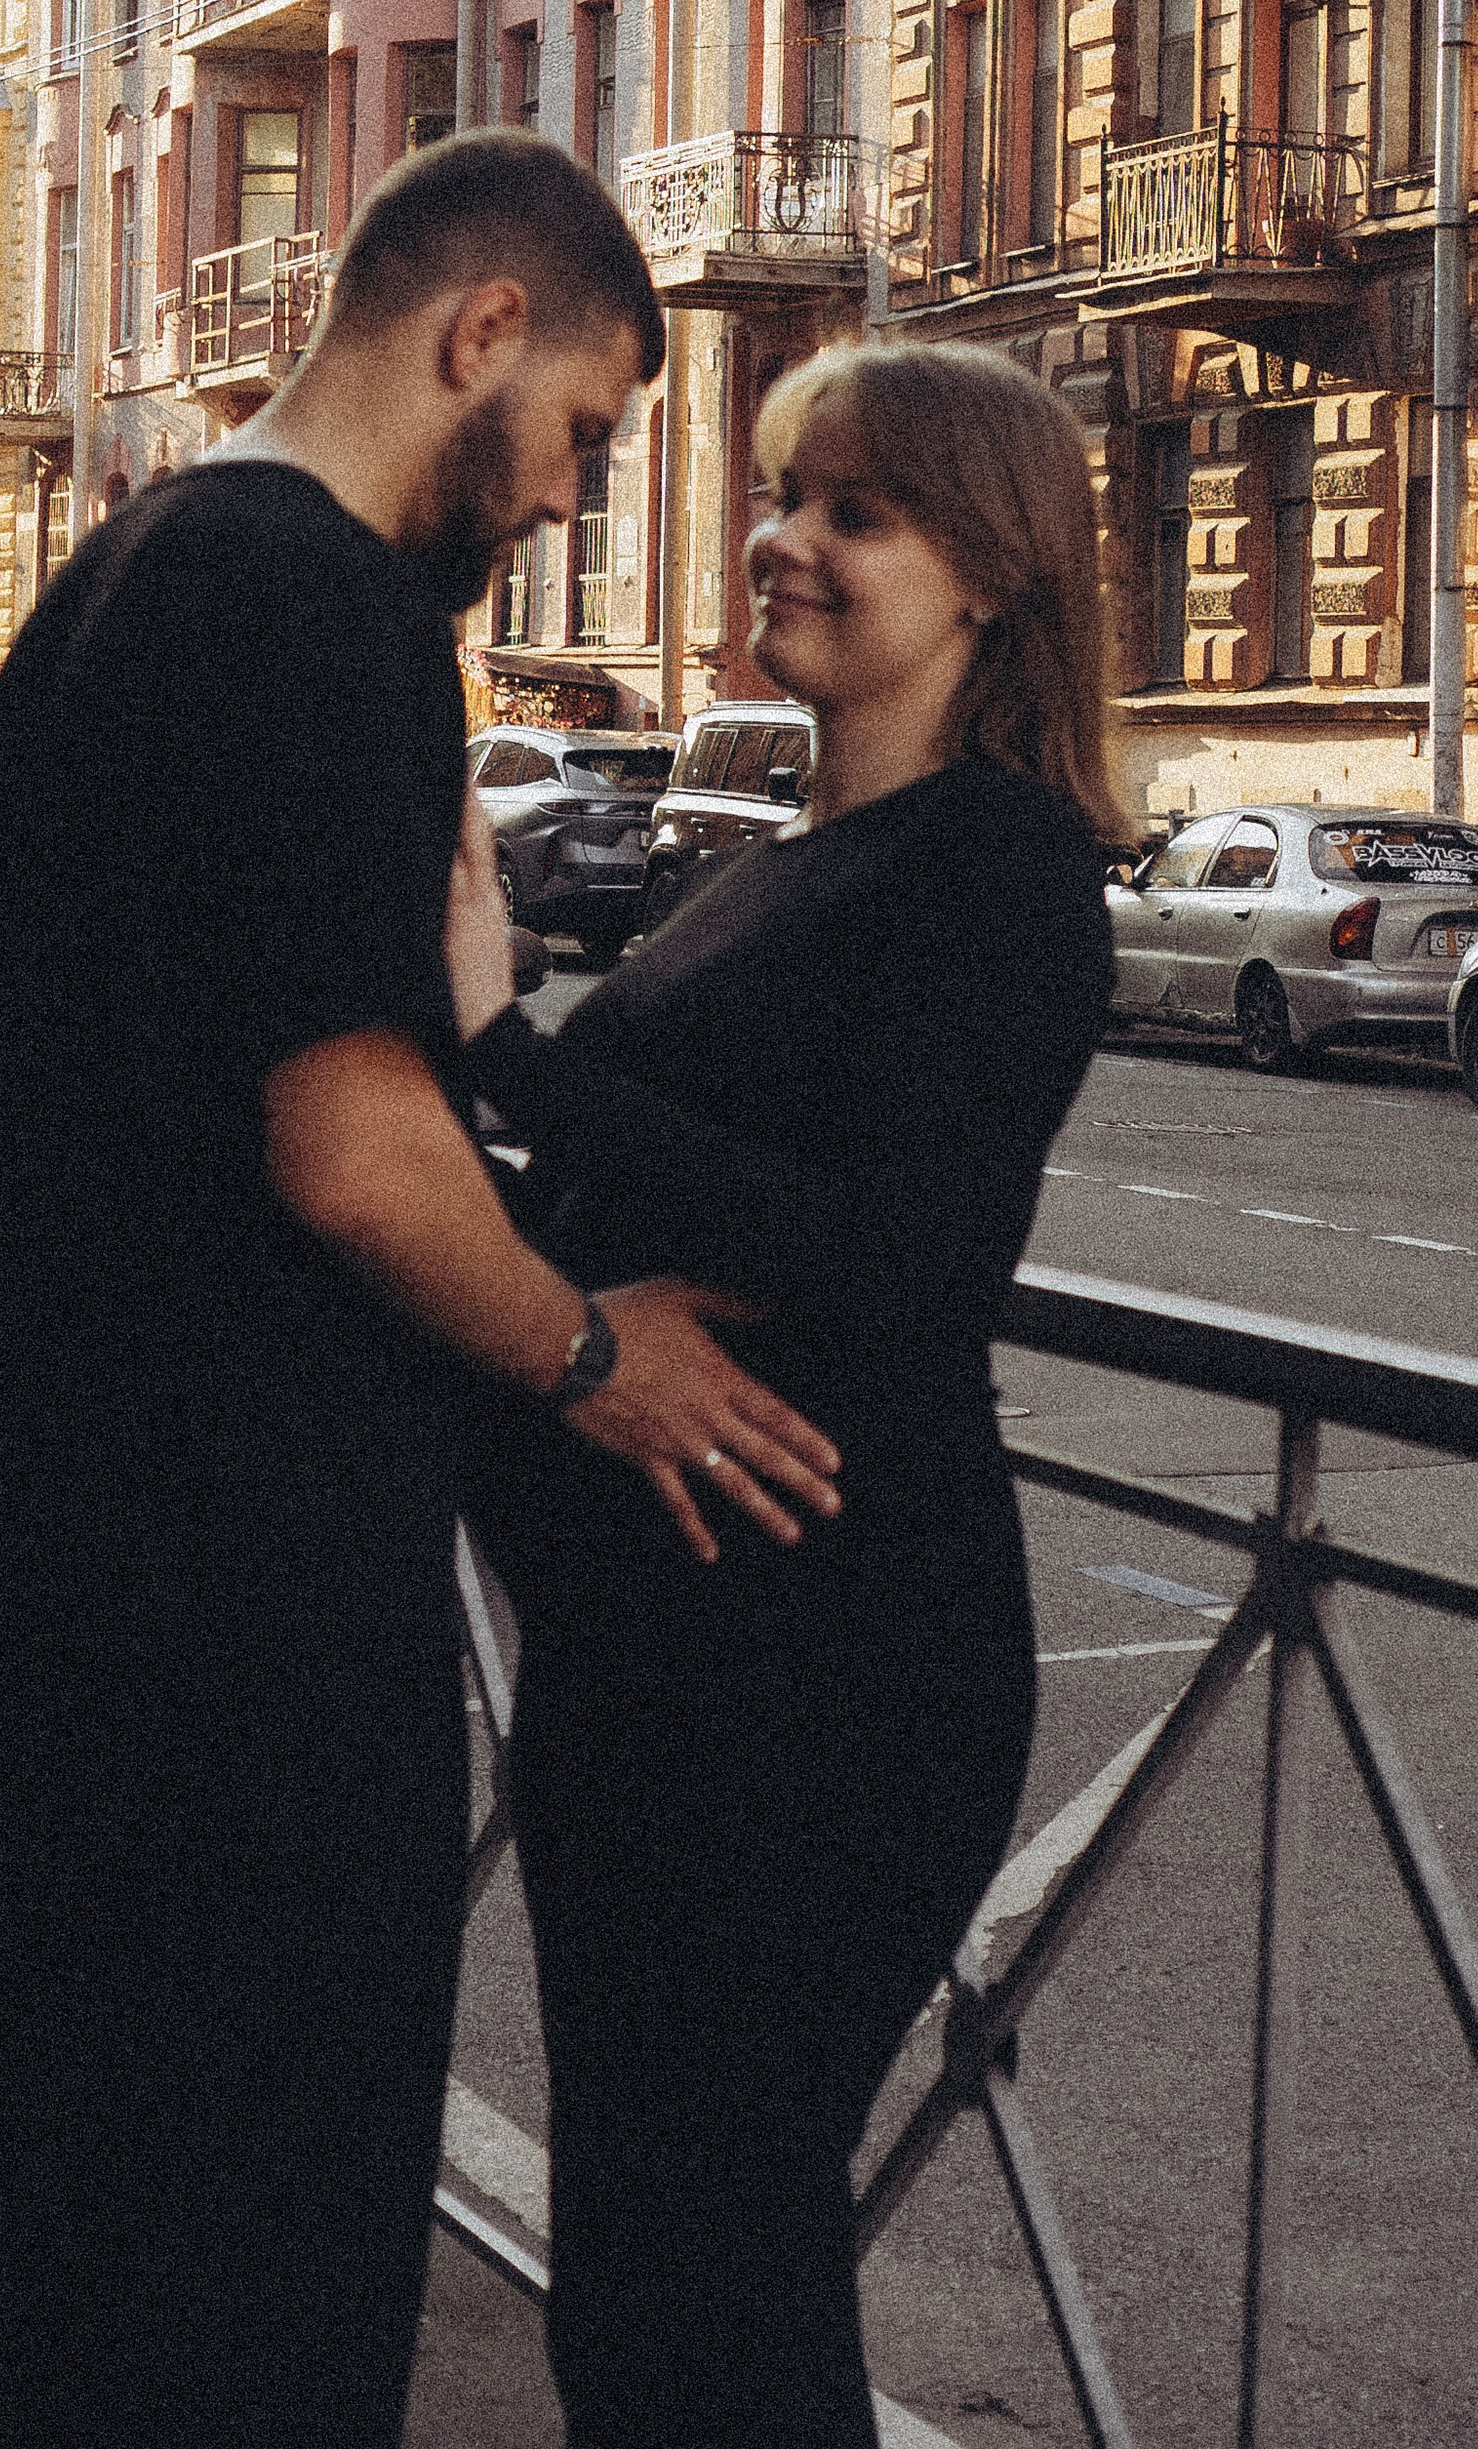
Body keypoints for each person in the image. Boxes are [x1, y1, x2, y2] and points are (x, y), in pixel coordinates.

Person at [0, 132, 842, 2449]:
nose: (568, 496)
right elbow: (353, 1153)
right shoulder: (318, 605)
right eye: (580, 428)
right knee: (248, 2276)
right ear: (480, 334)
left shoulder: (146, 562)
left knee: (83, 2262)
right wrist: (603, 1364)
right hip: (211, 1607)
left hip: (62, 1575)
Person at [451, 338, 1127, 2449]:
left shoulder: (1000, 864)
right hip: (660, 1648)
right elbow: (683, 1198)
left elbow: (904, 1262)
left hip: (826, 1658)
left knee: (714, 2262)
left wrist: (507, 1052)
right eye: (780, 491)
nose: (784, 538)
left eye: (855, 509)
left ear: (990, 573)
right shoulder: (775, 843)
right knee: (650, 2261)